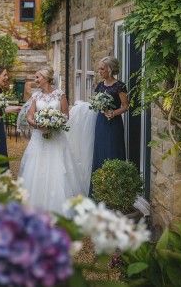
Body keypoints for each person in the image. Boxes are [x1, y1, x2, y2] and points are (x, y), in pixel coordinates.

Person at [19, 67, 84, 216]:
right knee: (36, 169)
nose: (35, 80)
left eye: (37, 77)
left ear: (47, 78)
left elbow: (66, 115)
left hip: (56, 138)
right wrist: (38, 125)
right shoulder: (36, 96)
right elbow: (29, 116)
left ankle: (59, 209)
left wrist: (55, 123)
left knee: (59, 169)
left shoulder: (60, 95)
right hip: (39, 138)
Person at [89, 56, 129, 195]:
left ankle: (115, 193)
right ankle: (99, 191)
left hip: (114, 124)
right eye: (99, 68)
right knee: (100, 153)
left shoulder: (119, 86)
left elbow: (125, 106)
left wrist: (114, 113)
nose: (99, 71)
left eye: (102, 68)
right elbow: (95, 103)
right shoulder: (100, 85)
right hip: (101, 122)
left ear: (110, 70)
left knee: (113, 152)